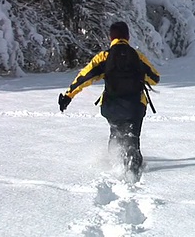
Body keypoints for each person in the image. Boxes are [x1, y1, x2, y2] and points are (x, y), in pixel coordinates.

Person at [58, 21, 160, 182]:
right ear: (127, 36)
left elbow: (84, 78)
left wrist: (68, 96)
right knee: (133, 136)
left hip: (111, 107)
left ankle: (116, 161)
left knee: (116, 132)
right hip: (135, 107)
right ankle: (132, 165)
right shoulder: (137, 56)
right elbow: (155, 78)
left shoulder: (104, 57)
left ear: (110, 37)